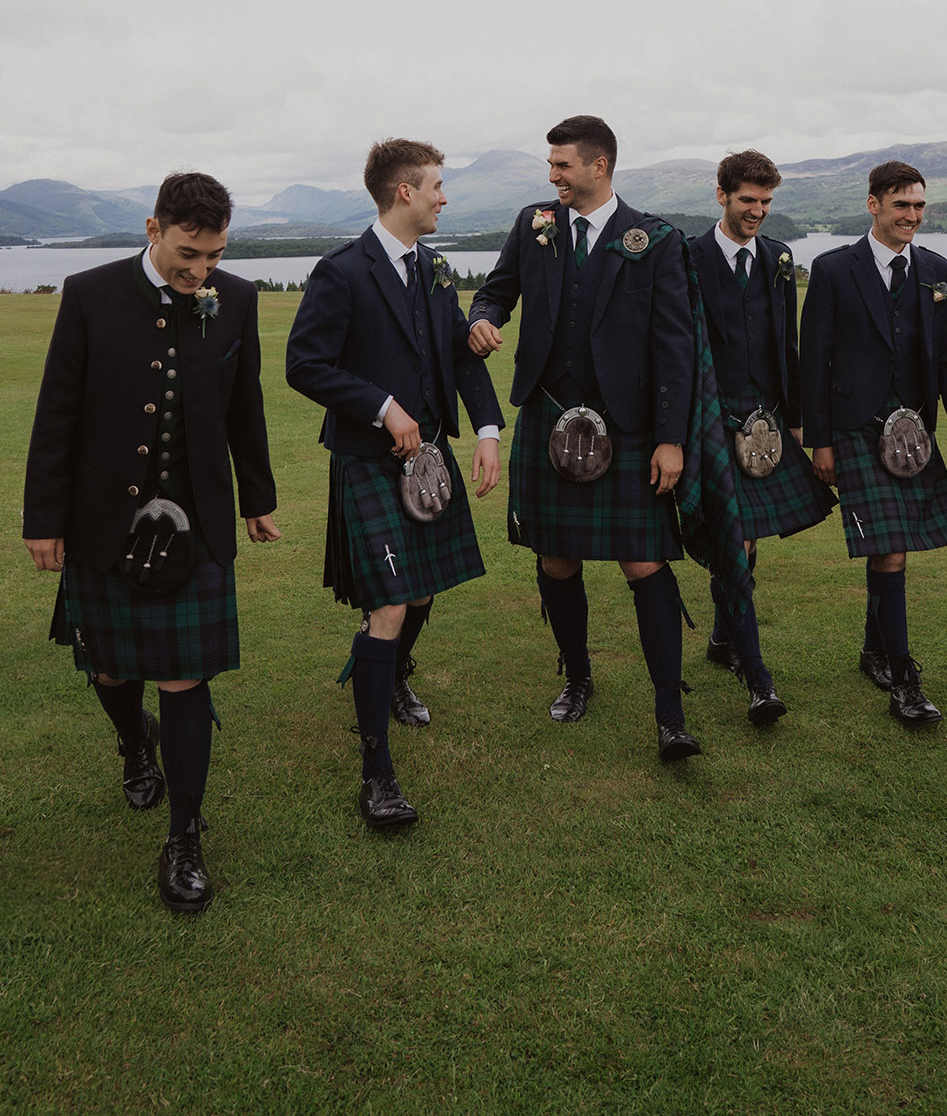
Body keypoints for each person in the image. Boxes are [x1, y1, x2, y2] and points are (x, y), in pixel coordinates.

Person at [22, 172, 279, 914]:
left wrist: (257, 499)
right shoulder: (90, 294)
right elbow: (58, 413)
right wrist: (44, 518)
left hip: (195, 519)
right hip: (103, 518)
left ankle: (184, 836)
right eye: (188, 254)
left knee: (184, 677)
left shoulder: (236, 299)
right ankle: (136, 742)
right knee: (109, 670)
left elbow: (245, 407)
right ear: (152, 229)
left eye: (216, 255)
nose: (202, 271)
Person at [467, 115, 700, 763]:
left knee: (644, 562)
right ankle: (576, 677)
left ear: (599, 166)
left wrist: (671, 439)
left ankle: (670, 712)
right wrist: (482, 318)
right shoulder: (534, 224)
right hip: (548, 414)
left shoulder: (654, 239)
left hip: (627, 425)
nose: (553, 177)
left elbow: (675, 347)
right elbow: (495, 293)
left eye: (562, 165)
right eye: (550, 166)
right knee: (555, 560)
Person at [286, 138, 503, 830]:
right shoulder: (342, 272)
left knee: (423, 590)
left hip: (429, 458)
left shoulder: (434, 268)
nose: (444, 197)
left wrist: (489, 430)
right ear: (404, 191)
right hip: (368, 460)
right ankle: (376, 772)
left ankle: (392, 675)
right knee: (388, 605)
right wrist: (382, 407)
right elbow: (305, 364)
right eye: (437, 185)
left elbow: (458, 354)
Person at [799, 160, 947, 725]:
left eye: (919, 205)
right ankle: (905, 680)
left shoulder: (935, 268)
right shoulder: (833, 269)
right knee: (892, 549)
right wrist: (820, 441)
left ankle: (873, 650)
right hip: (856, 427)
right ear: (873, 204)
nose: (912, 216)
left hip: (914, 430)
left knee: (888, 549)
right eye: (901, 205)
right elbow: (813, 360)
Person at [688, 150, 835, 723]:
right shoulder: (690, 257)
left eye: (766, 201)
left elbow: (786, 345)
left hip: (766, 422)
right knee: (736, 542)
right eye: (747, 200)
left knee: (744, 542)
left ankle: (723, 638)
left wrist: (794, 421)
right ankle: (758, 678)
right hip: (711, 420)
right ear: (721, 195)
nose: (757, 211)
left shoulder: (778, 258)